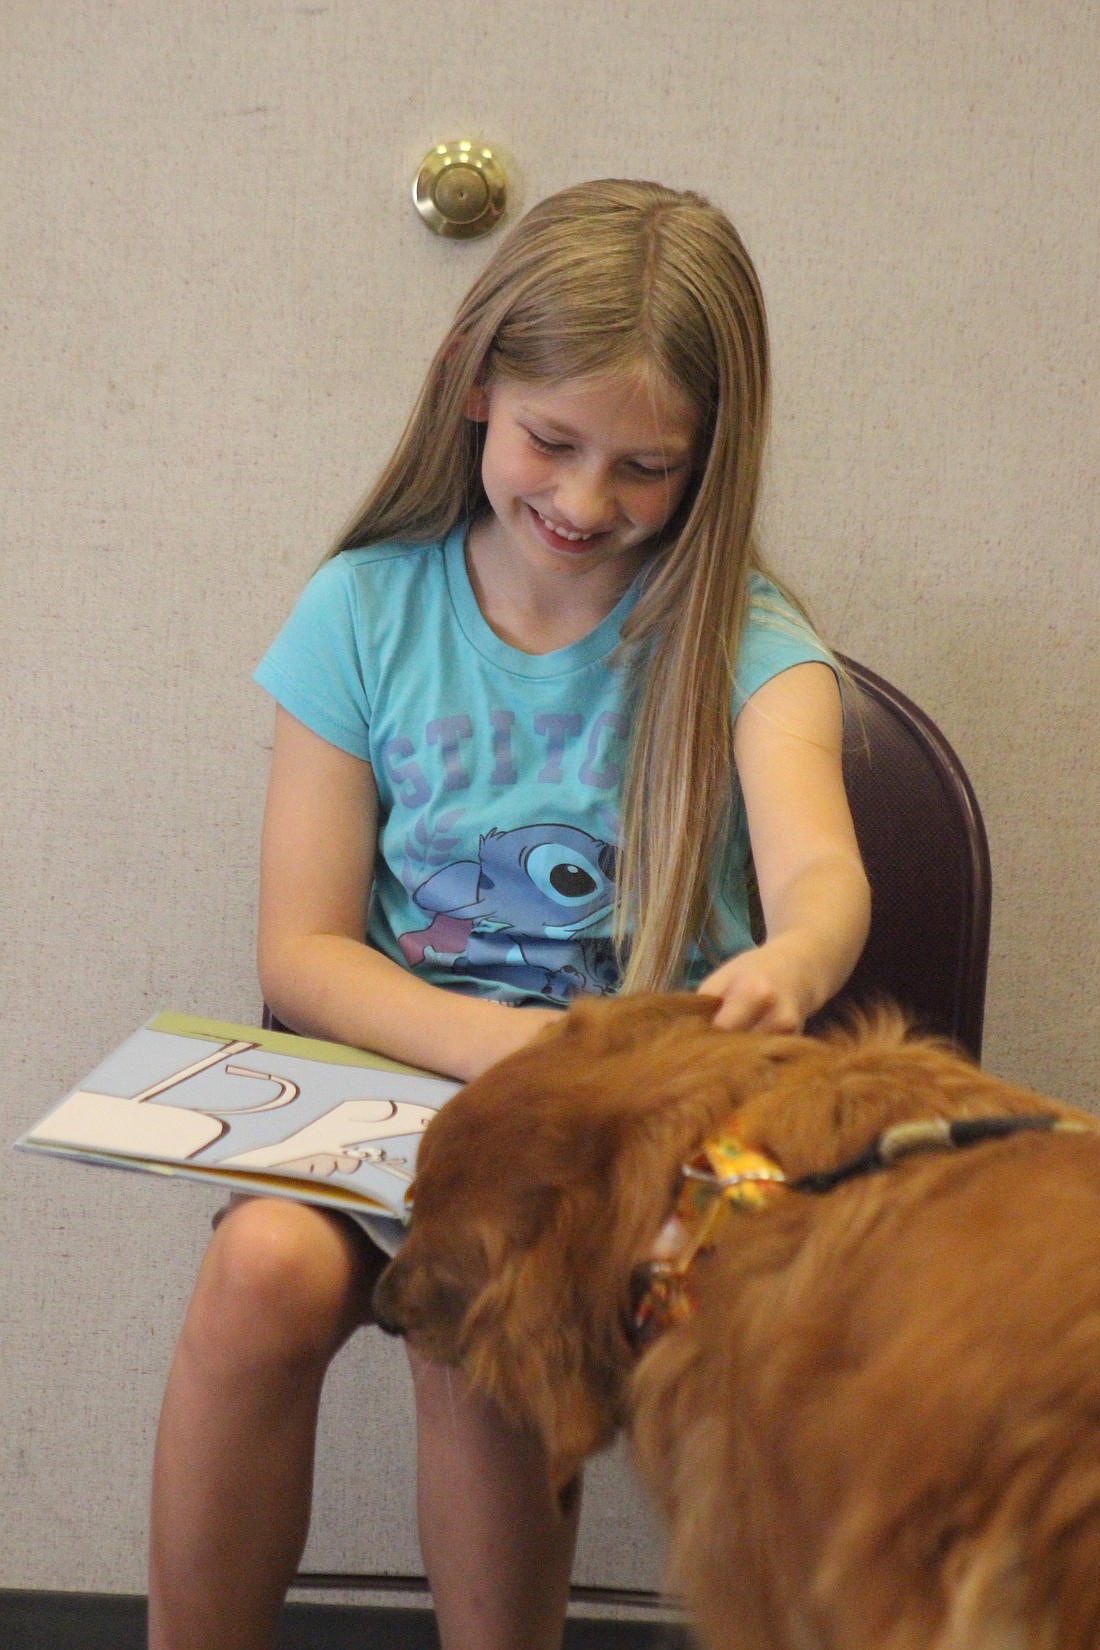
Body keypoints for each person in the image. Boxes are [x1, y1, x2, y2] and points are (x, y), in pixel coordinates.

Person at [148, 178, 870, 1650]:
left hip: (647, 1132)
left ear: (710, 461)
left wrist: (798, 956)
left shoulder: (748, 641)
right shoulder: (360, 612)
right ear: (476, 383)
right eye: (554, 441)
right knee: (259, 1267)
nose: (586, 502)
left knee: (480, 1298)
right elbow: (303, 949)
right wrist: (497, 1050)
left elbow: (822, 875)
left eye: (647, 466)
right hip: (410, 1094)